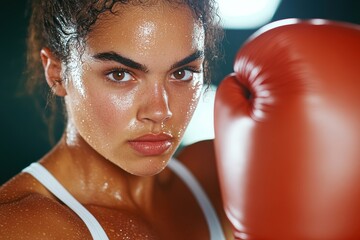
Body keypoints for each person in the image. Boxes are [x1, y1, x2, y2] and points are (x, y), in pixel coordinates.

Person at [0, 0, 233, 239]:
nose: (160, 112)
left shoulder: (218, 175)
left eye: (181, 73)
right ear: (56, 72)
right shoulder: (20, 225)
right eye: (120, 75)